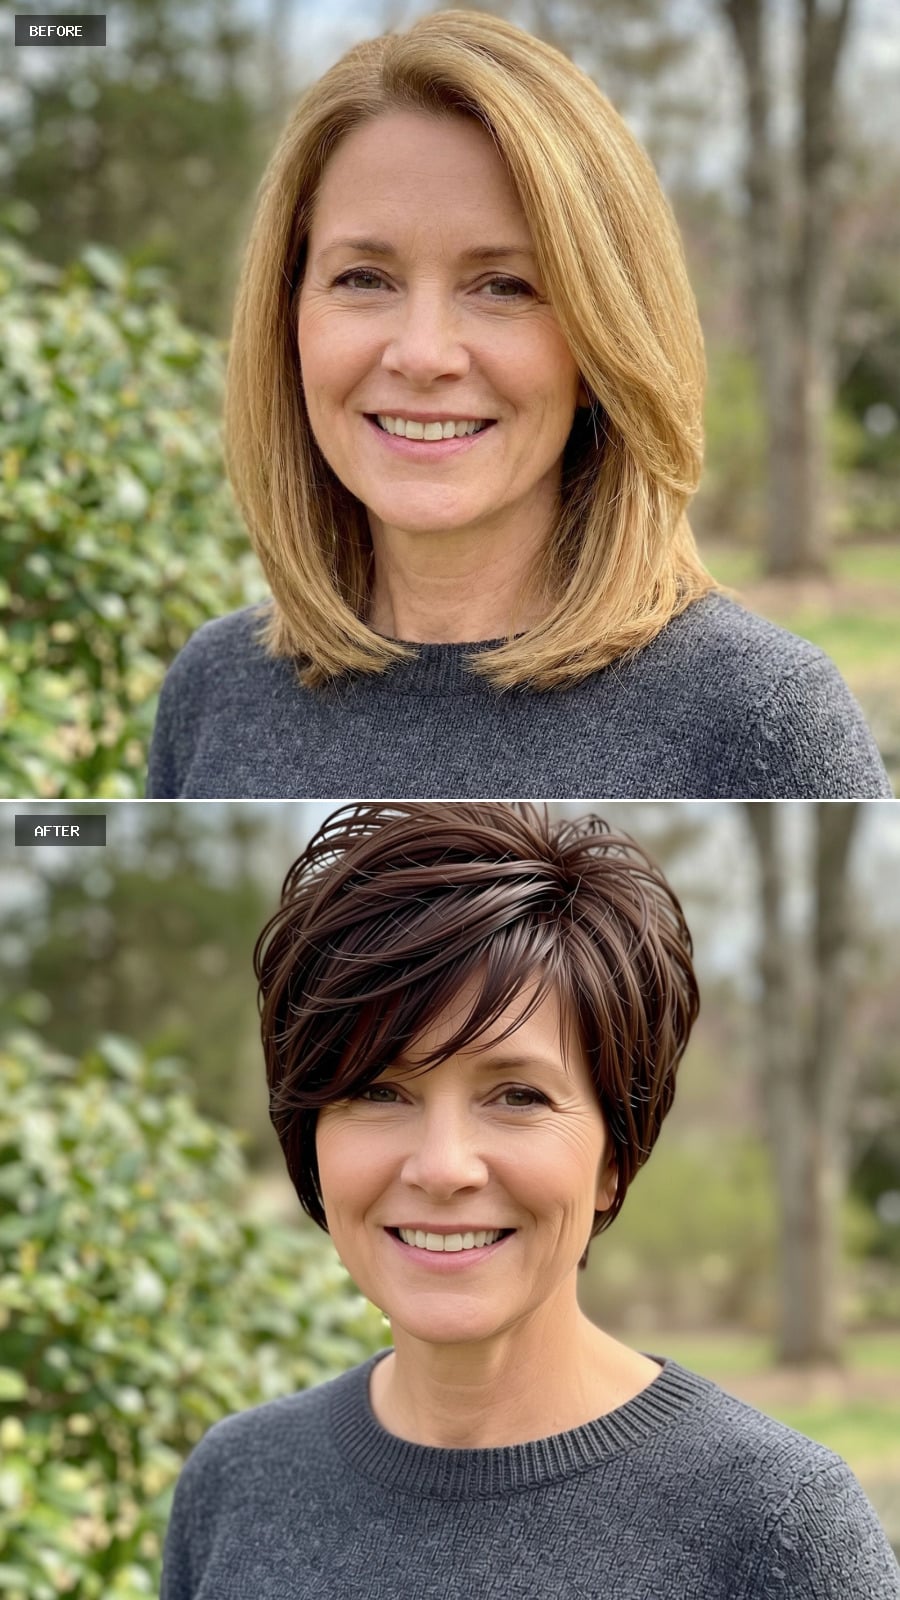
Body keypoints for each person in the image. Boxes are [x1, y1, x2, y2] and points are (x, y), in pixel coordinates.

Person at [160, 801, 899, 1599]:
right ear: (308, 1136)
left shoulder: (775, 1529)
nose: (444, 1169)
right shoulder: (237, 1483)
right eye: (378, 1090)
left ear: (615, 1155)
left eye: (517, 1095)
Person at [145, 11, 891, 800]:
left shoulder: (760, 716)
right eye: (364, 278)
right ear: (287, 315)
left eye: (504, 286)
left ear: (602, 343)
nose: (423, 354)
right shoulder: (215, 690)